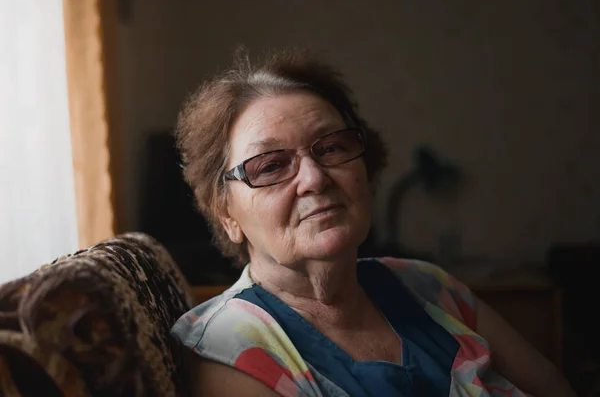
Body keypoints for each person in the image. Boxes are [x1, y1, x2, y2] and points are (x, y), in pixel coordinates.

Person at [170, 48, 576, 396]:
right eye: (271, 165)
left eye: (330, 148)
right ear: (227, 214)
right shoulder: (227, 349)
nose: (314, 178)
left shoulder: (427, 285)